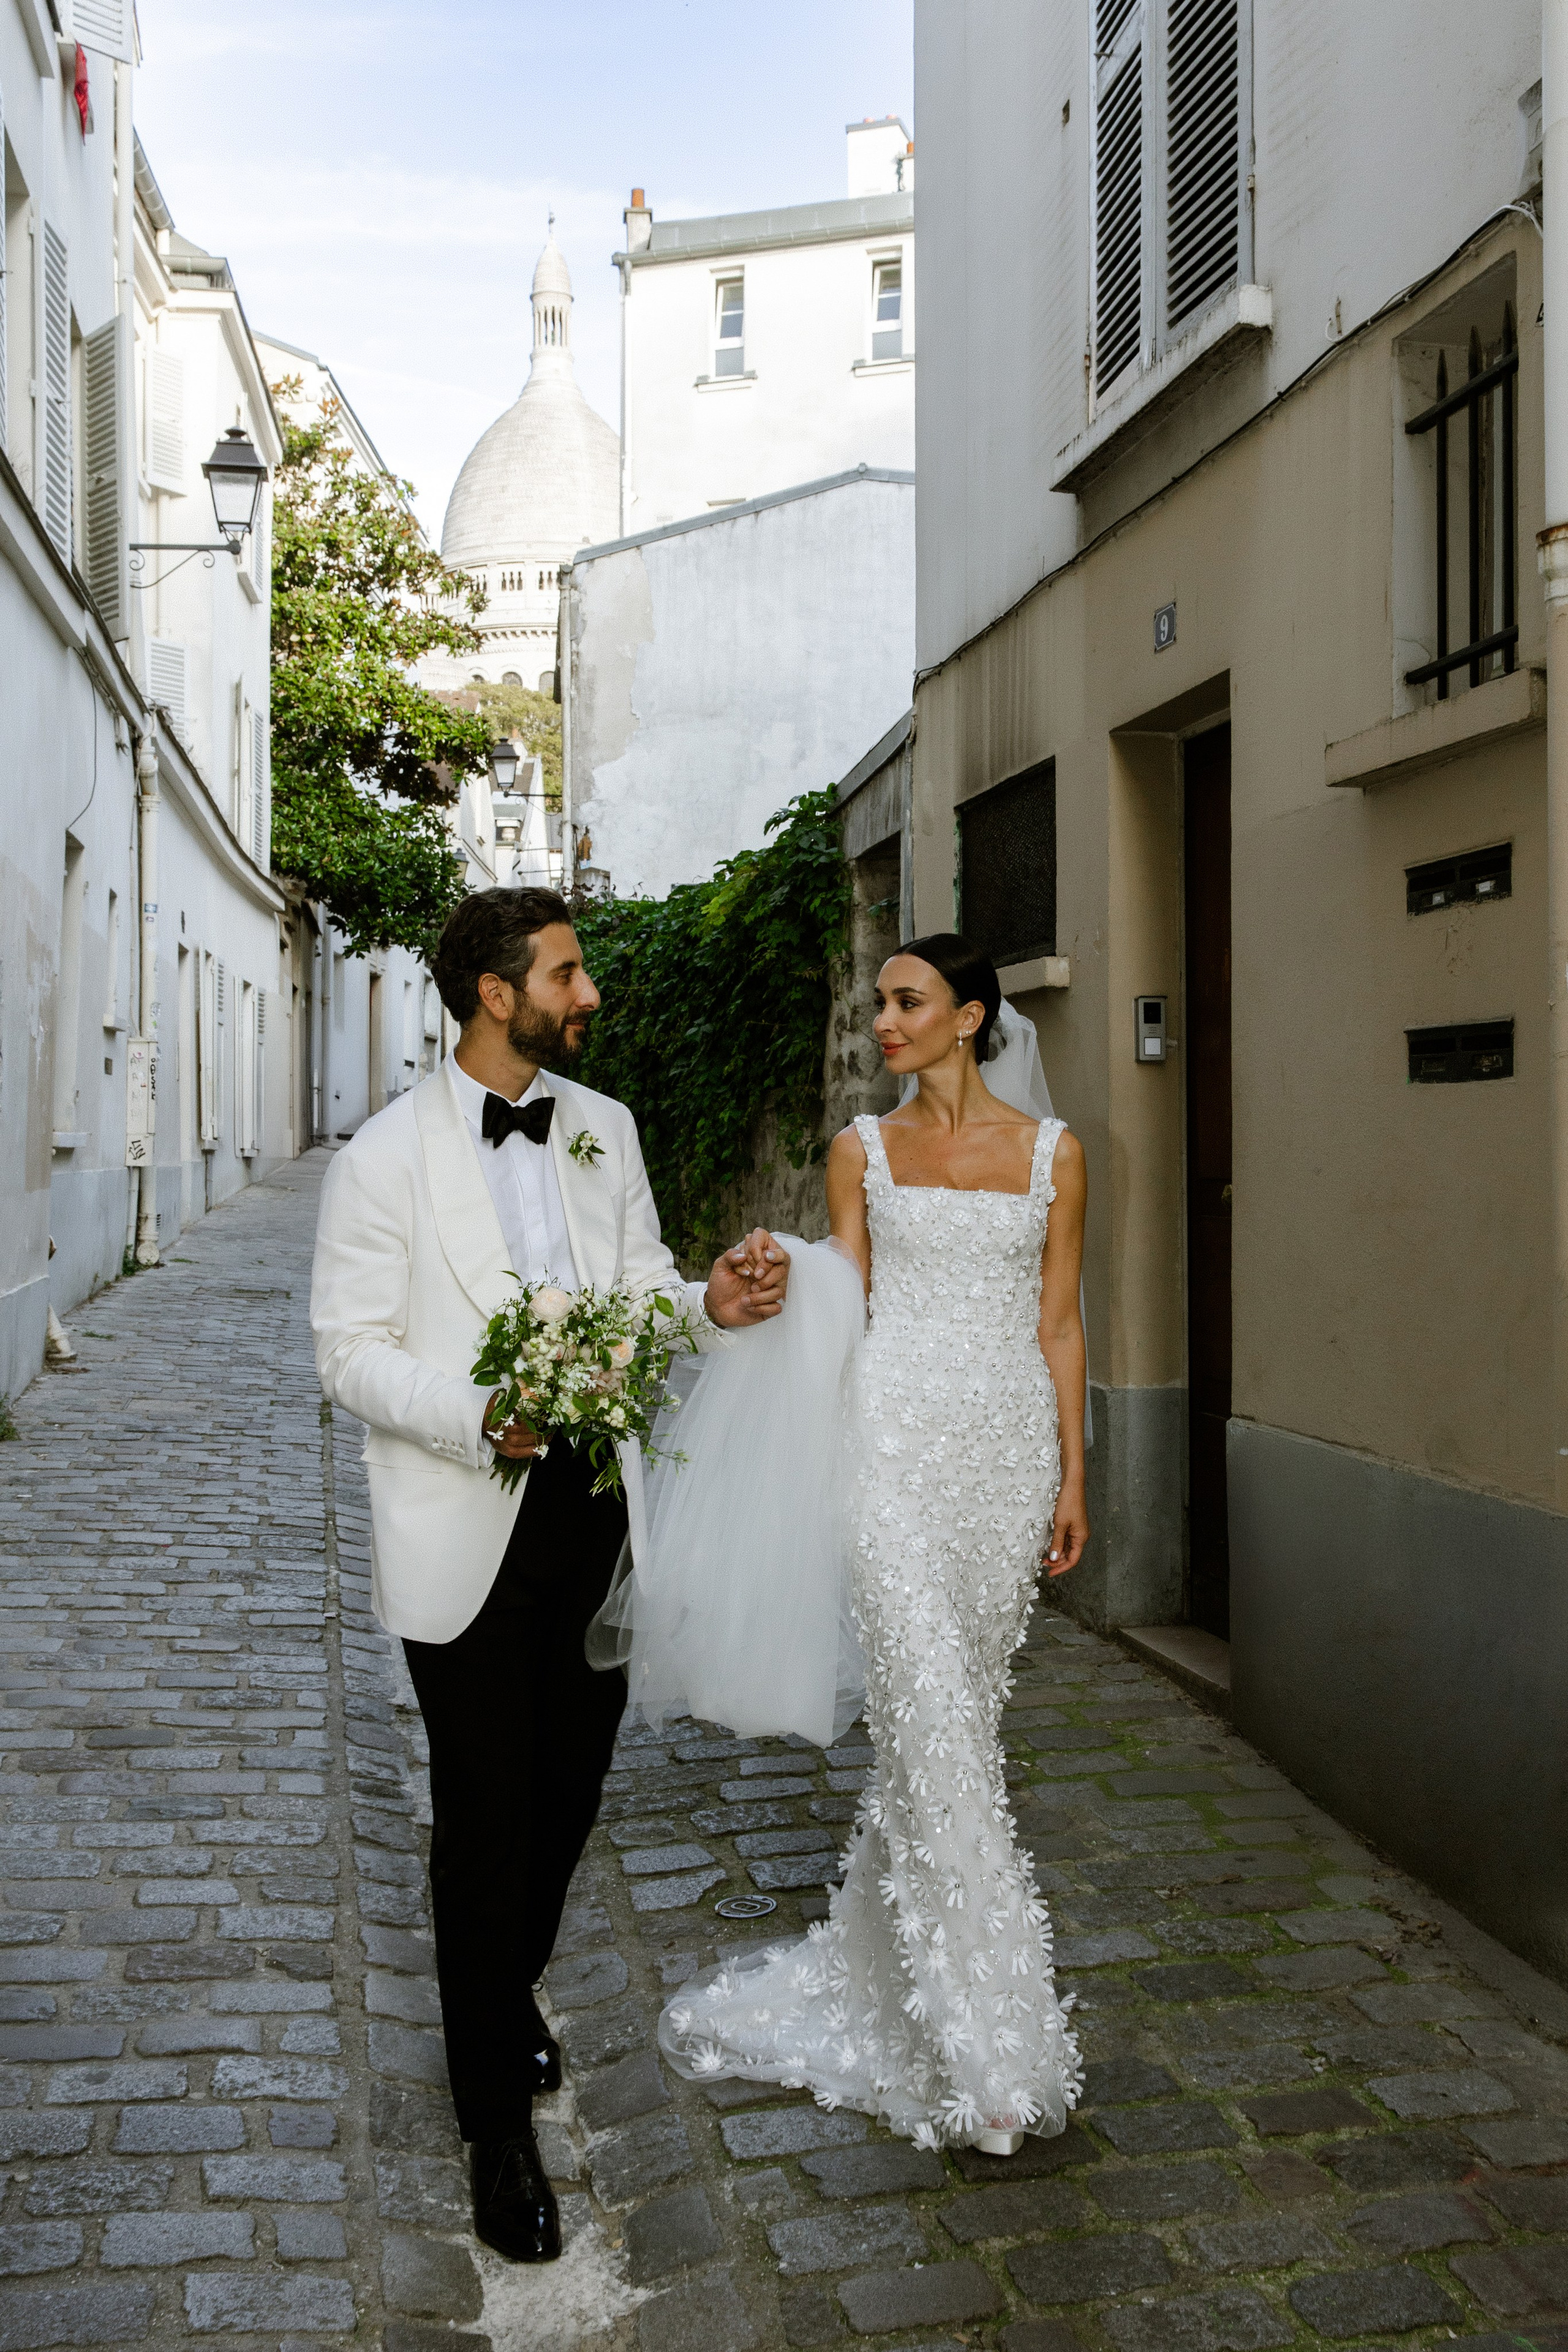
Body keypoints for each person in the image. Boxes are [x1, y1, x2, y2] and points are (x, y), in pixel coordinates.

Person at [309, 888, 786, 2264]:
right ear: (491, 991)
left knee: (570, 1789)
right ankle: (490, 2128)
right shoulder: (384, 1157)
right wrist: (479, 1415)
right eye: (567, 974)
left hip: (594, 1513)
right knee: (484, 1813)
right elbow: (345, 1350)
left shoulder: (603, 1128)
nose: (587, 995)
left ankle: (501, 1989)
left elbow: (636, 1284)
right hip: (462, 1517)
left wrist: (708, 1305)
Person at [623, 934, 1088, 2154]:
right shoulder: (859, 1150)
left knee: (955, 1733)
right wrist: (780, 1270)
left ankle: (887, 1976)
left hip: (1000, 1460)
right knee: (929, 1719)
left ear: (971, 1017)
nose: (881, 1020)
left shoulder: (1054, 1155)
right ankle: (982, 2046)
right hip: (884, 1455)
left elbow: (1059, 1321)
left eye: (906, 1001)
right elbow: (845, 1285)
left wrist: (1073, 1474)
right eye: (878, 1002)